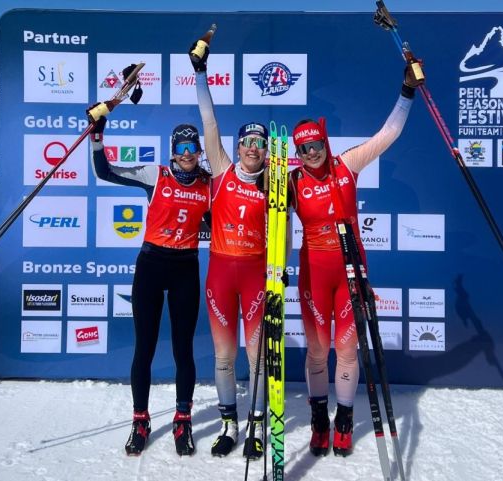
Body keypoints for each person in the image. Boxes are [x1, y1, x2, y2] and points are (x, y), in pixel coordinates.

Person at [289, 61, 423, 457]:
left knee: (347, 351)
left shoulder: (347, 165)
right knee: (317, 350)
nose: (311, 154)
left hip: (350, 272)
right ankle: (318, 418)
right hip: (313, 273)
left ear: (325, 143)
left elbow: (390, 133)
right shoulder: (292, 181)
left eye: (315, 146)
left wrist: (407, 91)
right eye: (303, 149)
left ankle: (344, 419)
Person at [87, 104, 211, 457]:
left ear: (199, 151)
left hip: (186, 266)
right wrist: (97, 135)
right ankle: (140, 419)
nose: (187, 155)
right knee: (145, 346)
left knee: (183, 348)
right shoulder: (154, 175)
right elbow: (105, 172)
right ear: (172, 151)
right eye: (181, 148)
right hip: (152, 265)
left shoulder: (208, 185)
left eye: (192, 148)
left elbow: (223, 220)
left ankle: (183, 419)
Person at [190, 39, 270, 459]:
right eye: (247, 142)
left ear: (266, 149)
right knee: (224, 356)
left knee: (256, 357)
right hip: (221, 275)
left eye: (259, 142)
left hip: (256, 275)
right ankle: (228, 424)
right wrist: (201, 72)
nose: (252, 148)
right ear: (238, 147)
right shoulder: (220, 171)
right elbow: (209, 121)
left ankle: (257, 426)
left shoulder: (277, 184)